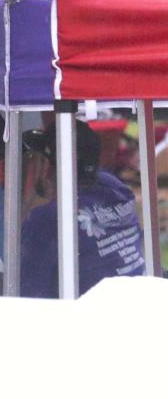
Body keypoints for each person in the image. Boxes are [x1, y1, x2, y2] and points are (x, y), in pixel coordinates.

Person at [20, 120, 145, 298]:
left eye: (37, 158)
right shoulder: (117, 189)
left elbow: (25, 300)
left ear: (47, 166)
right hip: (140, 305)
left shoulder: (46, 221)